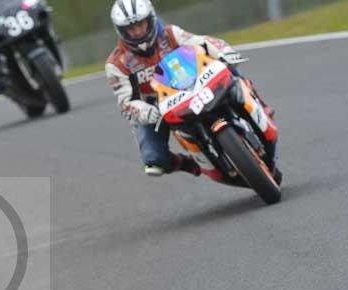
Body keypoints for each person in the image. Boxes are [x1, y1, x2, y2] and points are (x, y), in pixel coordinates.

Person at [105, 0, 276, 178]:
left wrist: (223, 51)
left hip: (192, 80)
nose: (138, 32)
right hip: (156, 105)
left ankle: (259, 106)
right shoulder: (117, 63)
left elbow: (201, 42)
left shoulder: (170, 33)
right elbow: (126, 103)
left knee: (226, 67)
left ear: (151, 19)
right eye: (131, 29)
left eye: (141, 24)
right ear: (121, 31)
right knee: (154, 161)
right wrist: (146, 112)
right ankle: (188, 163)